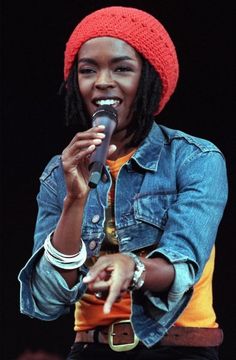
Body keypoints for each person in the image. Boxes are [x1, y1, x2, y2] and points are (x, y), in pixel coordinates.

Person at [18, 6, 228, 360]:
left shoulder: (195, 159)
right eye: (88, 70)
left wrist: (133, 267)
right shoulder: (61, 172)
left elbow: (183, 264)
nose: (102, 81)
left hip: (178, 348)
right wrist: (74, 200)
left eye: (122, 68)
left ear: (149, 80)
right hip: (90, 348)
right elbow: (45, 299)